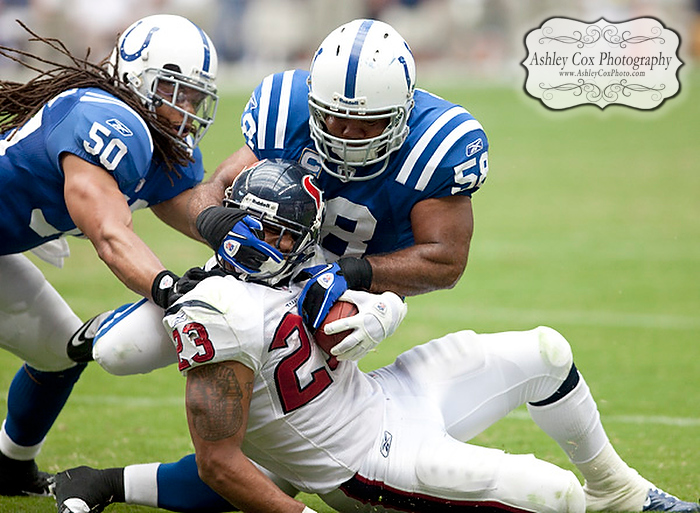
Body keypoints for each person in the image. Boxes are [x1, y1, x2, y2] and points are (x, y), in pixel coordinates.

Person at [53, 160, 700, 513]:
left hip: (389, 395)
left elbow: (362, 306)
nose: (289, 247)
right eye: (275, 233)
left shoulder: (291, 265)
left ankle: (619, 488)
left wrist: (384, 314)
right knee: (553, 494)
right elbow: (220, 460)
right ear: (240, 228)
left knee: (545, 350)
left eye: (292, 237)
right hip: (365, 459)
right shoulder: (216, 310)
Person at [70, 17, 489, 378]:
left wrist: (355, 273)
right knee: (120, 352)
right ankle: (96, 332)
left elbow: (445, 259)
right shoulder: (286, 112)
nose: (346, 133)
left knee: (310, 401)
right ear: (313, 101)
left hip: (351, 293)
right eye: (334, 117)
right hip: (260, 267)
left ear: (403, 112)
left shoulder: (436, 143)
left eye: (366, 123)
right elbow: (212, 191)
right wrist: (217, 224)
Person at [0, 14, 224, 496]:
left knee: (58, 356)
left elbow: (192, 211)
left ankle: (9, 465)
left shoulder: (157, 142)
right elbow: (108, 232)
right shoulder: (104, 118)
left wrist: (248, 239)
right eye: (173, 90)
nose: (184, 108)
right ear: (137, 77)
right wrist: (167, 288)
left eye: (193, 96)